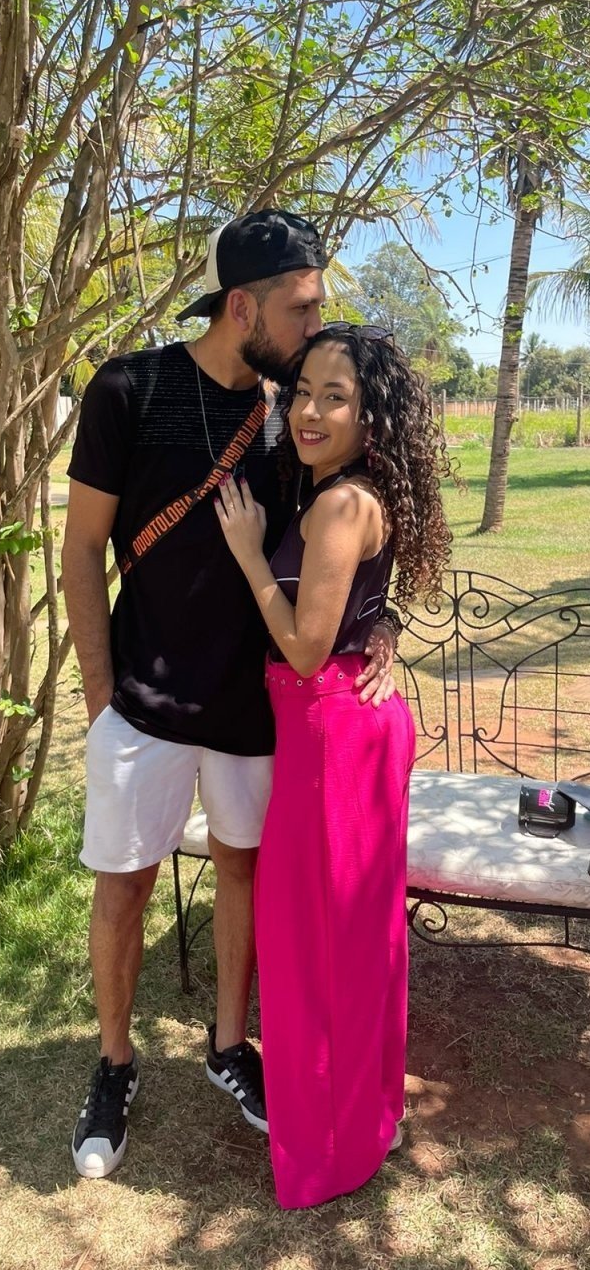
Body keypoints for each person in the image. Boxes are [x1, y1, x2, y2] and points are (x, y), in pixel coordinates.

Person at [61, 212, 400, 1181]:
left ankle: (226, 1045)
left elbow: (343, 537)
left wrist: (378, 620)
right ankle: (114, 1062)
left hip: (253, 708)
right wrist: (99, 694)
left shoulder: (293, 418)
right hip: (141, 701)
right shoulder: (128, 390)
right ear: (242, 307)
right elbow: (80, 549)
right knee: (124, 882)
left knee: (241, 874)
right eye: (301, 309)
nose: (314, 326)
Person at [214, 323, 456, 1207]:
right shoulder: (331, 491)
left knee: (319, 941)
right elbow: (357, 605)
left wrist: (248, 554)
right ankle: (351, 1116)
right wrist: (380, 623)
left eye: (335, 397)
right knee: (343, 938)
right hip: (340, 728)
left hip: (331, 735)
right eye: (302, 393)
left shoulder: (340, 503)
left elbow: (306, 648)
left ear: (371, 416)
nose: (309, 411)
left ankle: (331, 1140)